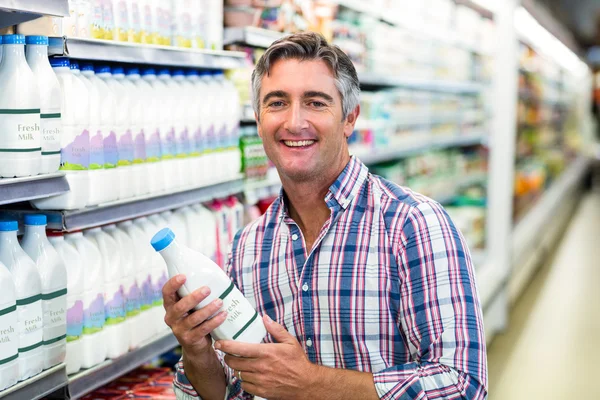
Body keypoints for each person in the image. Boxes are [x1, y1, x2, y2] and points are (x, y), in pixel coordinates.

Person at [163, 32, 488, 400]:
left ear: (349, 119)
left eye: (316, 103)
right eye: (277, 103)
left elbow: (462, 386)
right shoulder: (249, 245)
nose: (294, 121)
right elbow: (226, 391)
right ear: (258, 119)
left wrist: (312, 384)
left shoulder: (414, 224)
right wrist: (196, 350)